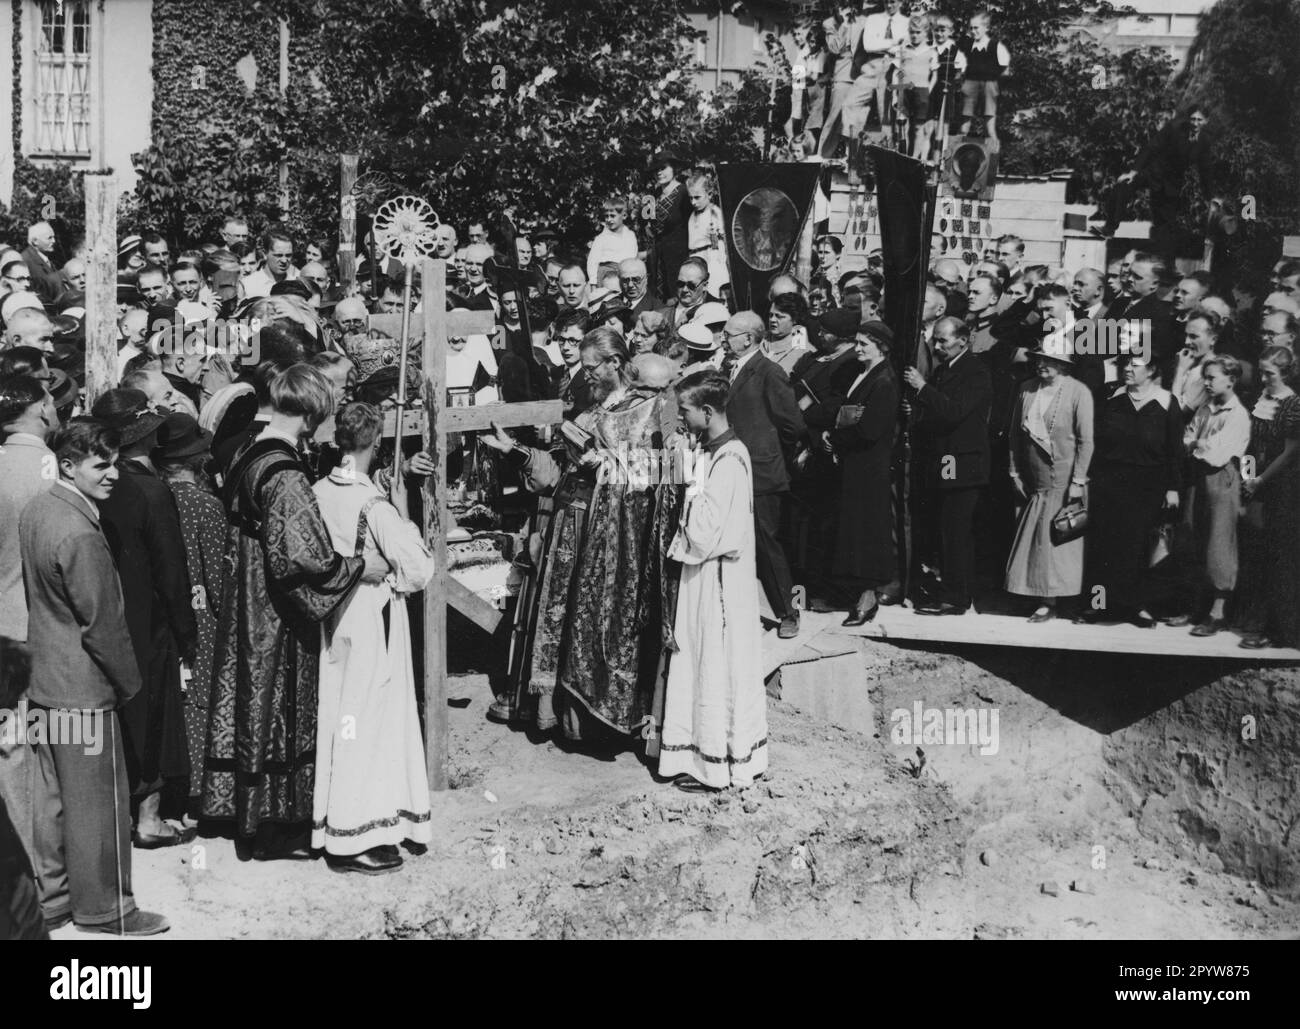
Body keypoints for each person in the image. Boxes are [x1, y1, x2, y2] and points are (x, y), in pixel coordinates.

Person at [202, 365, 383, 859]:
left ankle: (242, 812)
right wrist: (360, 566)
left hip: (245, 594)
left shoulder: (247, 449)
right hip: (274, 609)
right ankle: (275, 827)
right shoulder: (286, 473)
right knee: (279, 704)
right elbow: (306, 559)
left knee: (247, 695)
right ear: (308, 415)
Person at [482, 329, 682, 740]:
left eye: (592, 367)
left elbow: (663, 474)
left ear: (615, 363)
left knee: (597, 623)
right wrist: (515, 452)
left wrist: (605, 462)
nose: (586, 375)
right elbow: (559, 471)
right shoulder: (589, 410)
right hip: (570, 525)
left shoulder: (649, 407)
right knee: (560, 615)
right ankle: (555, 714)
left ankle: (594, 721)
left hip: (611, 538)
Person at [20, 418, 168, 935]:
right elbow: (103, 624)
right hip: (84, 689)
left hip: (43, 683)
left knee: (52, 803)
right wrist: (131, 685)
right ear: (68, 465)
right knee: (99, 806)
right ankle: (107, 909)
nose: (112, 475)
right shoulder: (80, 531)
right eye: (99, 465)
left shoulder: (40, 510)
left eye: (115, 463)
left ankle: (54, 899)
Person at [312, 402, 435, 874]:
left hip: (332, 614)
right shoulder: (374, 504)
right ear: (375, 443)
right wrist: (403, 514)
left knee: (342, 714)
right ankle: (355, 833)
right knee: (369, 719)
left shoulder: (318, 489)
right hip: (373, 614)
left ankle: (336, 821)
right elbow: (419, 568)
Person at [88, 388, 197, 848]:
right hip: (149, 617)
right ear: (148, 438)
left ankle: (116, 811)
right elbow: (172, 570)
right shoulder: (152, 491)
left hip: (103, 613)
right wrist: (186, 631)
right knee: (153, 709)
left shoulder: (91, 484)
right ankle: (149, 818)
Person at [659, 371, 767, 792]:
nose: (680, 418)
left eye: (684, 410)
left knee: (715, 663)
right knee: (702, 657)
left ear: (707, 412)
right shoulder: (710, 449)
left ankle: (719, 764)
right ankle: (699, 754)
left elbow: (706, 531)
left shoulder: (730, 459)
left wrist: (688, 481)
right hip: (704, 577)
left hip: (718, 579)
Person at [153, 411, 227, 820]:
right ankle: (195, 794)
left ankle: (166, 792)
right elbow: (217, 579)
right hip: (201, 615)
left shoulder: (153, 497)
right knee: (198, 706)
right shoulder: (205, 506)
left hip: (163, 614)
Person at [0, 375, 58, 874]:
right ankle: (30, 870)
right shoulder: (49, 470)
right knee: (22, 750)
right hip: (30, 629)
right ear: (40, 408)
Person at [1079, 354, 1184, 627]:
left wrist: (1173, 488)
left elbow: (1175, 451)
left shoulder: (1166, 402)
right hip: (1109, 482)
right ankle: (1098, 605)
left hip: (1148, 485)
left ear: (1151, 370)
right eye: (1126, 364)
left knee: (1138, 547)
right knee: (1104, 546)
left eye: (1135, 365)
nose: (1127, 368)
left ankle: (1137, 607)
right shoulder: (1112, 396)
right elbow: (1096, 441)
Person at [903, 317, 992, 615]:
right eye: (936, 340)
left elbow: (954, 412)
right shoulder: (945, 369)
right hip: (944, 460)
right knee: (945, 528)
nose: (937, 347)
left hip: (961, 463)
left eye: (943, 341)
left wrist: (923, 388)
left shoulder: (976, 372)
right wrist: (917, 408)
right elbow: (937, 412)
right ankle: (948, 589)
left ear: (963, 341)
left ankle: (956, 597)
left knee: (955, 531)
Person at [724, 311, 804, 638]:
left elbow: (793, 424)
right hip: (733, 468)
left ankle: (787, 611)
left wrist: (770, 454)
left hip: (761, 472)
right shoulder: (732, 368)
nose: (723, 339)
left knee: (766, 542)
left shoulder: (769, 372)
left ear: (748, 338)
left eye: (729, 334)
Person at [1005, 348, 1094, 622]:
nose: (1042, 365)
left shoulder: (1079, 391)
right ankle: (1043, 597)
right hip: (1035, 479)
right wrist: (1014, 472)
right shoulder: (1027, 389)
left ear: (1063, 365)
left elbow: (1085, 440)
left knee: (1062, 540)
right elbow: (1014, 436)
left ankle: (1059, 602)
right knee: (1039, 541)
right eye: (1040, 360)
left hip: (1065, 479)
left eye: (1050, 361)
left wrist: (1078, 480)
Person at [1167, 355, 1249, 636]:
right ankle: (1195, 606)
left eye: (1213, 377)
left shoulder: (1237, 415)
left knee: (1218, 541)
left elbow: (1216, 454)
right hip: (1196, 479)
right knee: (1192, 536)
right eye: (1206, 377)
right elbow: (1185, 438)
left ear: (1231, 379)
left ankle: (1218, 611)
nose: (1207, 382)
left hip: (1221, 480)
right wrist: (1197, 444)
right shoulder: (1205, 407)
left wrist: (1197, 444)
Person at [829, 320, 900, 625]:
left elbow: (868, 429)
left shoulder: (884, 380)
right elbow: (849, 416)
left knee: (868, 532)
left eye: (863, 344)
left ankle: (868, 599)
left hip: (870, 466)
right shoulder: (866, 374)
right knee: (856, 531)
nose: (857, 349)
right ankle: (858, 592)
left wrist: (836, 437)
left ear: (881, 347)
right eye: (856, 342)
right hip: (856, 464)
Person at [1237, 347, 1300, 648]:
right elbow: (1249, 444)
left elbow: (1289, 453)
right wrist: (1248, 478)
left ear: (1285, 374)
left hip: (1281, 486)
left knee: (1276, 557)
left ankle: (1273, 628)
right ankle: (1253, 618)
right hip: (1256, 483)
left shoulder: (1293, 405)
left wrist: (1260, 480)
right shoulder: (1258, 401)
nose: (1263, 379)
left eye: (1269, 374)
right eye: (1261, 372)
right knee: (1255, 552)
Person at [1095, 106, 1216, 260]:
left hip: (1172, 183)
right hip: (1153, 171)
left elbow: (1205, 170)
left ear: (1206, 121)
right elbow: (1150, 148)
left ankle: (1163, 262)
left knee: (1164, 224)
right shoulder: (1174, 128)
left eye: (1199, 120)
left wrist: (1209, 197)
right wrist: (1134, 171)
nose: (1195, 123)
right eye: (1192, 119)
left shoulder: (1204, 142)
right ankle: (1110, 228)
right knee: (1123, 186)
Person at [956, 9, 1011, 141]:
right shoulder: (967, 45)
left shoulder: (995, 46)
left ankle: (992, 158)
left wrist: (992, 78)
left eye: (976, 28)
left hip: (989, 84)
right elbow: (959, 65)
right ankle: (956, 156)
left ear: (986, 27)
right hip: (970, 83)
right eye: (971, 28)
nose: (973, 31)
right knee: (964, 123)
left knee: (989, 125)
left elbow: (1006, 70)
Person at [647, 150, 691, 301]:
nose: (659, 173)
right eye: (656, 170)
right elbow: (647, 227)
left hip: (678, 256)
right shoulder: (652, 195)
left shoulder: (684, 193)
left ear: (674, 169)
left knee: (677, 297)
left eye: (663, 168)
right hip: (657, 258)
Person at [685, 172, 729, 292]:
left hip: (711, 260)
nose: (693, 202)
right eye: (690, 198)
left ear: (709, 194)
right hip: (695, 259)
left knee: (712, 289)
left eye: (697, 197)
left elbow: (718, 242)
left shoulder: (714, 213)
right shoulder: (693, 215)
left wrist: (716, 263)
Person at [587, 197, 639, 283]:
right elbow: (592, 261)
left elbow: (633, 257)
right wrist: (593, 282)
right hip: (605, 276)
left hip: (625, 275)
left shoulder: (630, 236)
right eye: (606, 216)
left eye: (612, 216)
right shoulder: (601, 238)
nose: (609, 219)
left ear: (624, 215)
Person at [763, 291, 814, 375]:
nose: (772, 320)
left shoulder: (805, 354)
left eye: (779, 316)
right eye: (771, 315)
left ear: (795, 319)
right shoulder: (759, 339)